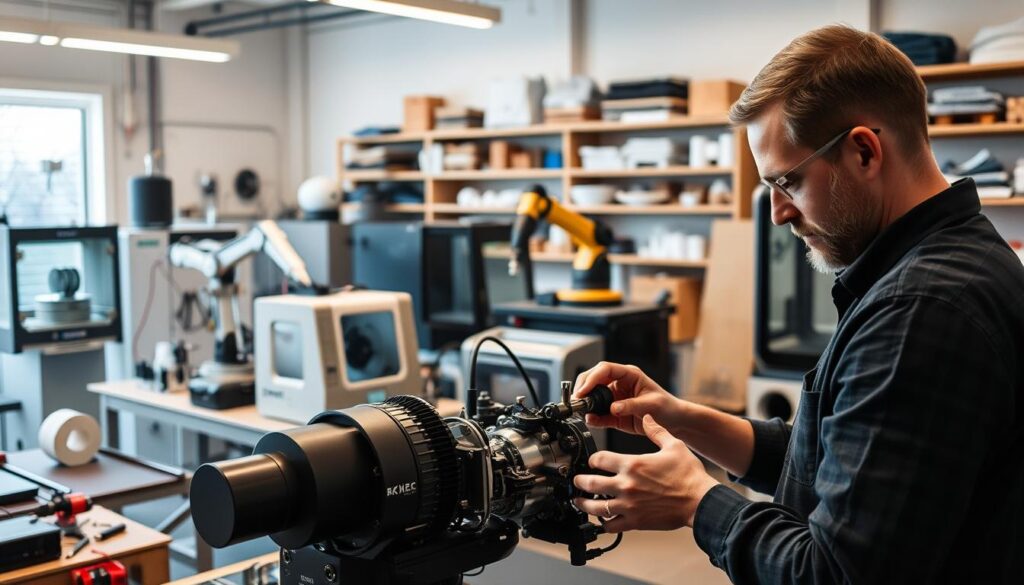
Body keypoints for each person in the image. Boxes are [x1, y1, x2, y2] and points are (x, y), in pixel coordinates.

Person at [571, 24, 1024, 584]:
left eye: (788, 182)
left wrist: (695, 500)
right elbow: (841, 460)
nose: (778, 213)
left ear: (864, 151)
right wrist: (682, 419)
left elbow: (831, 575)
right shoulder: (951, 261)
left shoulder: (919, 310)